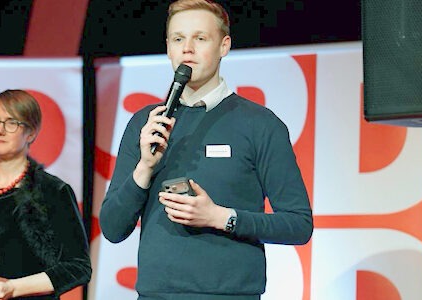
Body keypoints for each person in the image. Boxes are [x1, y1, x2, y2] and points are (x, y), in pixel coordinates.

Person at [99, 0, 314, 299]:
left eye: (200, 38)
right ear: (168, 48)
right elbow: (112, 228)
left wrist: (220, 217)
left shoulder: (259, 124)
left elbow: (298, 225)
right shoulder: (147, 123)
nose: (187, 48)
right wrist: (144, 168)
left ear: (224, 46)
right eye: (178, 39)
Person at [0, 90, 92, 300]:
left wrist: (12, 288)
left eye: (11, 122)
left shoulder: (53, 191)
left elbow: (78, 267)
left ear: (31, 132)